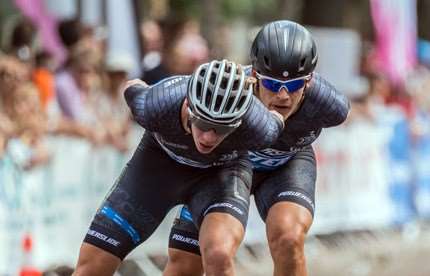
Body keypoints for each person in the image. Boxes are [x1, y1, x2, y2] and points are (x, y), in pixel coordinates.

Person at [164, 20, 350, 276]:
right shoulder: (230, 88)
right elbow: (171, 98)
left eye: (294, 85)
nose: (283, 96)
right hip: (228, 168)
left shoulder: (331, 106)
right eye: (273, 84)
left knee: (288, 238)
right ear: (253, 76)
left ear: (309, 81)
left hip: (286, 166)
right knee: (186, 263)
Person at [73, 59, 285, 276]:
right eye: (202, 123)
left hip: (218, 175)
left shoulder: (258, 126)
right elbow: (131, 85)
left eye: (222, 128)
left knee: (218, 256)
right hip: (158, 167)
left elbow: (279, 118)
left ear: (239, 121)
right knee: (92, 267)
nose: (209, 136)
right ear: (188, 105)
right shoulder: (157, 104)